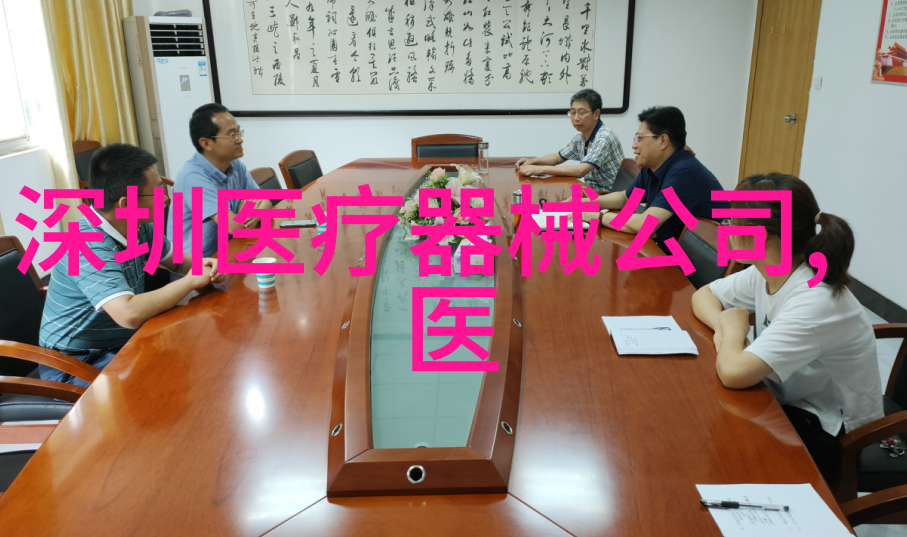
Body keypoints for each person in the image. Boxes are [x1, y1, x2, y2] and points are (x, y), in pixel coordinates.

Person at [691, 173, 883, 487]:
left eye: (732, 222)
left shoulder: (815, 299)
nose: (725, 229)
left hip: (831, 429)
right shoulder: (770, 269)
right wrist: (724, 326)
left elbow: (734, 373)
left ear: (765, 235)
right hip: (784, 397)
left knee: (720, 457)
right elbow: (704, 295)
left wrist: (735, 330)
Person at [39, 144, 226, 386]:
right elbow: (128, 313)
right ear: (126, 204)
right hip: (75, 362)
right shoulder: (86, 244)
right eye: (157, 191)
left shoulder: (140, 226)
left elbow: (178, 262)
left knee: (199, 357)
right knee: (171, 381)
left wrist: (208, 264)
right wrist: (190, 281)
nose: (165, 198)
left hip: (121, 343)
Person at [573, 106, 730, 250]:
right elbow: (626, 198)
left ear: (663, 141)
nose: (634, 145)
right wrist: (582, 204)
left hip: (697, 264)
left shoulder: (684, 173)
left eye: (640, 138)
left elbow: (645, 225)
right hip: (670, 250)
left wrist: (598, 217)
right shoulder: (653, 167)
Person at [166, 103, 272, 258]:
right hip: (197, 265)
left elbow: (266, 202)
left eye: (239, 132)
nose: (240, 140)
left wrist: (252, 209)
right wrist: (251, 209)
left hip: (231, 249)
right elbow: (235, 226)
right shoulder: (193, 177)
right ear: (206, 143)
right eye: (231, 135)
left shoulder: (235, 164)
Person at [515, 89, 624, 191]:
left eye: (582, 113)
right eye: (573, 112)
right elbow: (557, 157)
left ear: (596, 114)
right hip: (590, 189)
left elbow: (580, 171)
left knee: (560, 201)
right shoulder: (580, 137)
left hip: (608, 195)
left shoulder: (604, 137)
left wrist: (540, 169)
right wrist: (533, 161)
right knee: (557, 195)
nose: (576, 118)